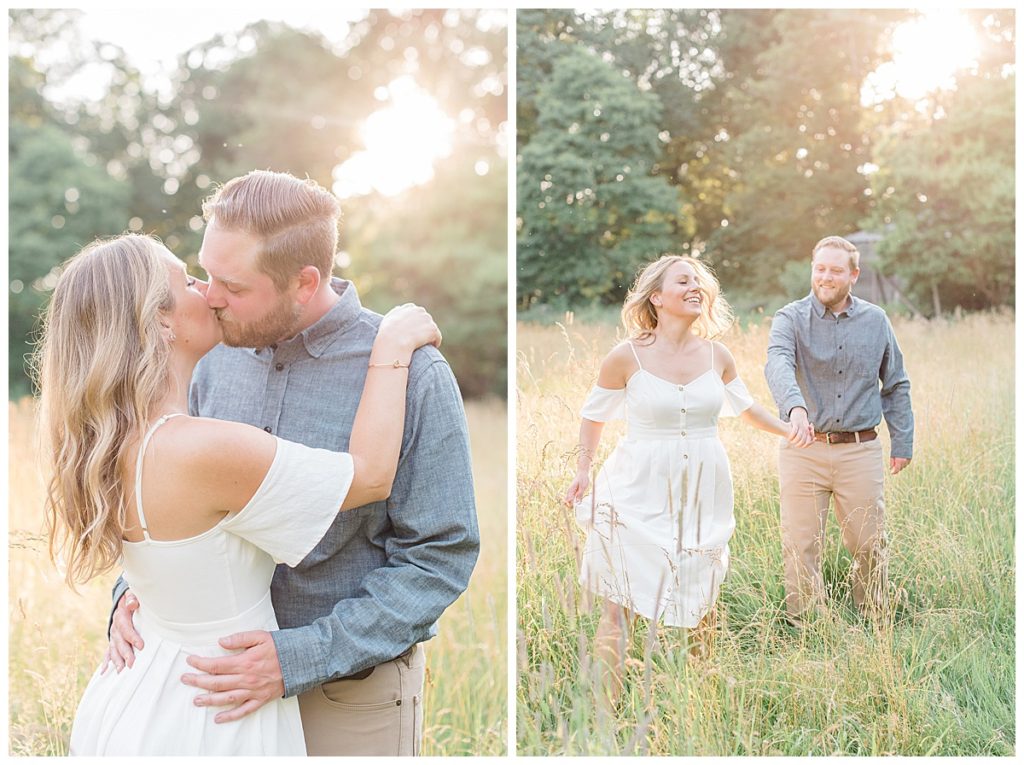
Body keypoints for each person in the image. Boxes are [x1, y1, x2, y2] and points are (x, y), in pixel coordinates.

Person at [104, 171, 480, 755]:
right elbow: (169, 497)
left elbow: (439, 554)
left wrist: (303, 656)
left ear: (304, 282)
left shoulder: (412, 372)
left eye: (233, 284)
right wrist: (134, 591)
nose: (209, 295)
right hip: (211, 694)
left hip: (347, 695)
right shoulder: (204, 358)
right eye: (205, 273)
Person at [36, 234, 440, 755]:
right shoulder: (201, 448)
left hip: (139, 692)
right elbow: (368, 476)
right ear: (160, 321)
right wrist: (391, 347)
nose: (206, 290)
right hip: (210, 714)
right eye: (187, 280)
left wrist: (127, 601)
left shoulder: (106, 440)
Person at [563, 255, 808, 706]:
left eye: (698, 281)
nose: (695, 287)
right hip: (635, 487)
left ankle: (700, 709)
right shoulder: (626, 356)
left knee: (701, 599)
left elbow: (747, 409)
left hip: (702, 490)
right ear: (656, 297)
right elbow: (592, 417)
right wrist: (583, 470)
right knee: (619, 604)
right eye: (683, 281)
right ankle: (605, 716)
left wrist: (789, 428)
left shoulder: (718, 355)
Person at [765, 235, 914, 626]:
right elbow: (777, 363)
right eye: (819, 269)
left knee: (868, 542)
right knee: (800, 544)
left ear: (853, 275)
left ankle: (875, 618)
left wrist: (903, 440)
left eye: (835, 270)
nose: (825, 277)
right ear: (811, 270)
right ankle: (807, 625)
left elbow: (895, 383)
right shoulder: (790, 318)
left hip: (859, 449)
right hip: (803, 447)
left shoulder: (876, 320)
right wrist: (794, 407)